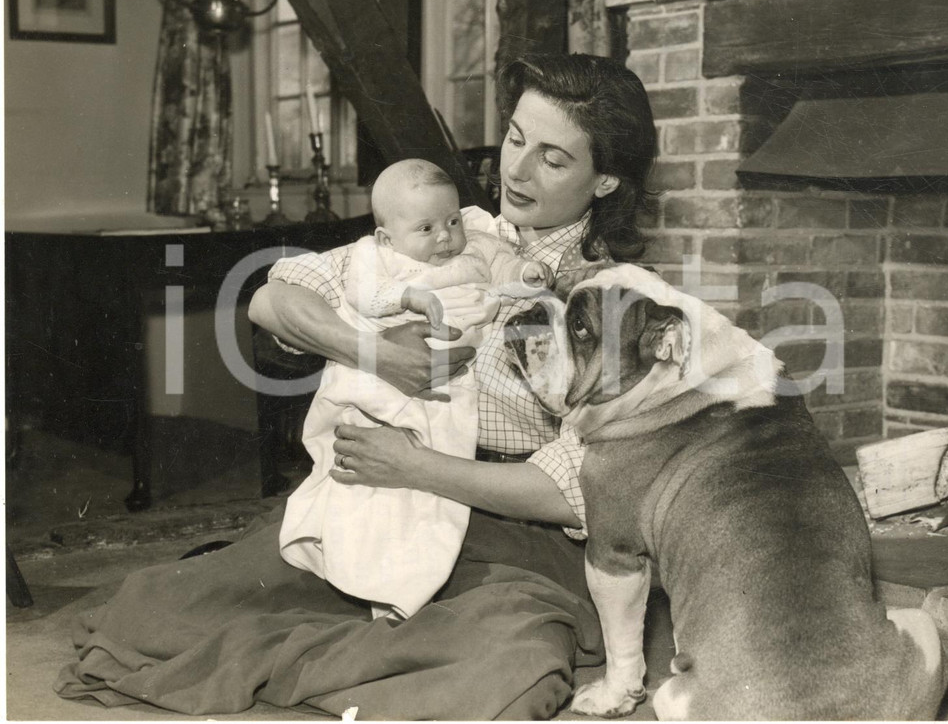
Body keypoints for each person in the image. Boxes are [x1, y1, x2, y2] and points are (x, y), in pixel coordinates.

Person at [54, 53, 658, 720]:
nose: (515, 169)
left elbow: (582, 492)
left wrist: (417, 467)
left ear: (603, 182)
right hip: (381, 501)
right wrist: (375, 352)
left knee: (506, 667)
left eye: (552, 158)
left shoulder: (610, 301)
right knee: (161, 610)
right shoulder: (457, 230)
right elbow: (273, 298)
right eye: (516, 138)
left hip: (515, 529)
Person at [280, 157, 553, 620]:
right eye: (426, 229)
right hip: (381, 373)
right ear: (389, 236)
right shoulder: (378, 255)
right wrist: (407, 301)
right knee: (370, 480)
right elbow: (358, 296)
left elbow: (508, 269)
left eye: (450, 221)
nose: (445, 236)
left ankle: (402, 579)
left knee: (421, 488)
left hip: (451, 381)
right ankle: (367, 564)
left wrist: (527, 276)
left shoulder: (480, 242)